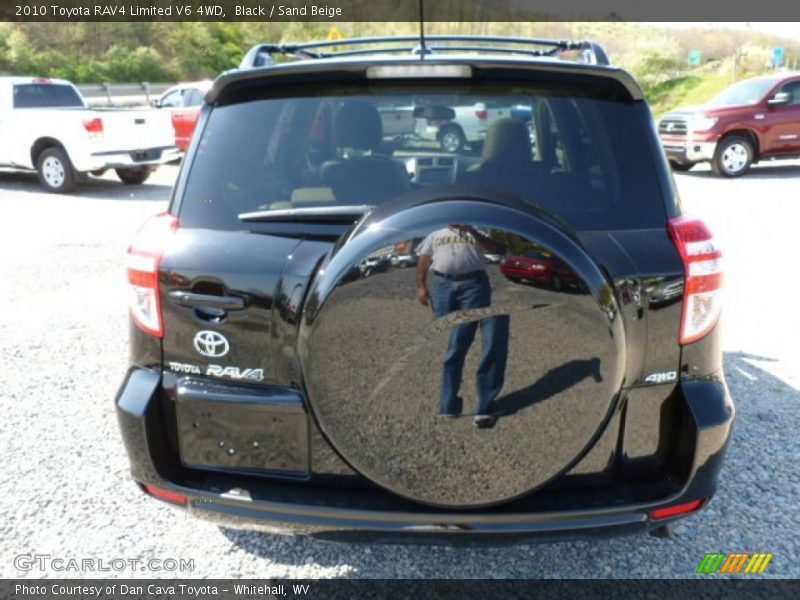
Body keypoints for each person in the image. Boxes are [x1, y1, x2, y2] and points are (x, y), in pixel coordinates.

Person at [416, 224, 509, 428]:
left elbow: (497, 248)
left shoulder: (479, 230)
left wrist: (472, 232)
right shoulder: (435, 233)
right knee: (451, 331)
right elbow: (424, 258)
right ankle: (450, 403)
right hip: (442, 282)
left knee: (463, 339)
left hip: (473, 284)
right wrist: (422, 285)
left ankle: (468, 404)